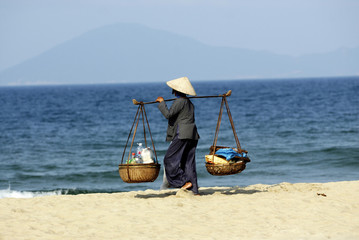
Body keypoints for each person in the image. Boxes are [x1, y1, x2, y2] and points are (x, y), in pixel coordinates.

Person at [156, 77, 200, 195]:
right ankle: (194, 189)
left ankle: (183, 182)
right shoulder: (189, 103)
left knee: (169, 159)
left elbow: (168, 114)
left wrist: (162, 103)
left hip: (182, 134)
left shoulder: (180, 101)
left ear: (175, 91)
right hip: (192, 134)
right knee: (188, 162)